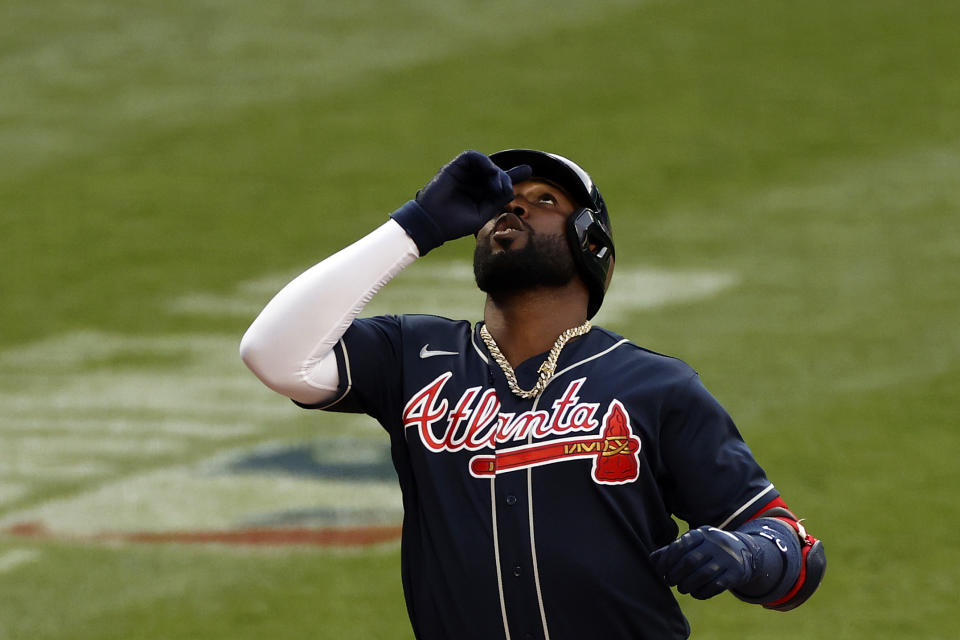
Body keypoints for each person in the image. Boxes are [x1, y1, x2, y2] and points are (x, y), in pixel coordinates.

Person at [239, 149, 825, 639]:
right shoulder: (413, 354)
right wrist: (415, 225)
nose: (513, 204)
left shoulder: (653, 386)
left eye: (545, 199)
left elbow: (793, 551)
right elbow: (274, 353)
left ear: (590, 243)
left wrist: (747, 555)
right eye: (503, 199)